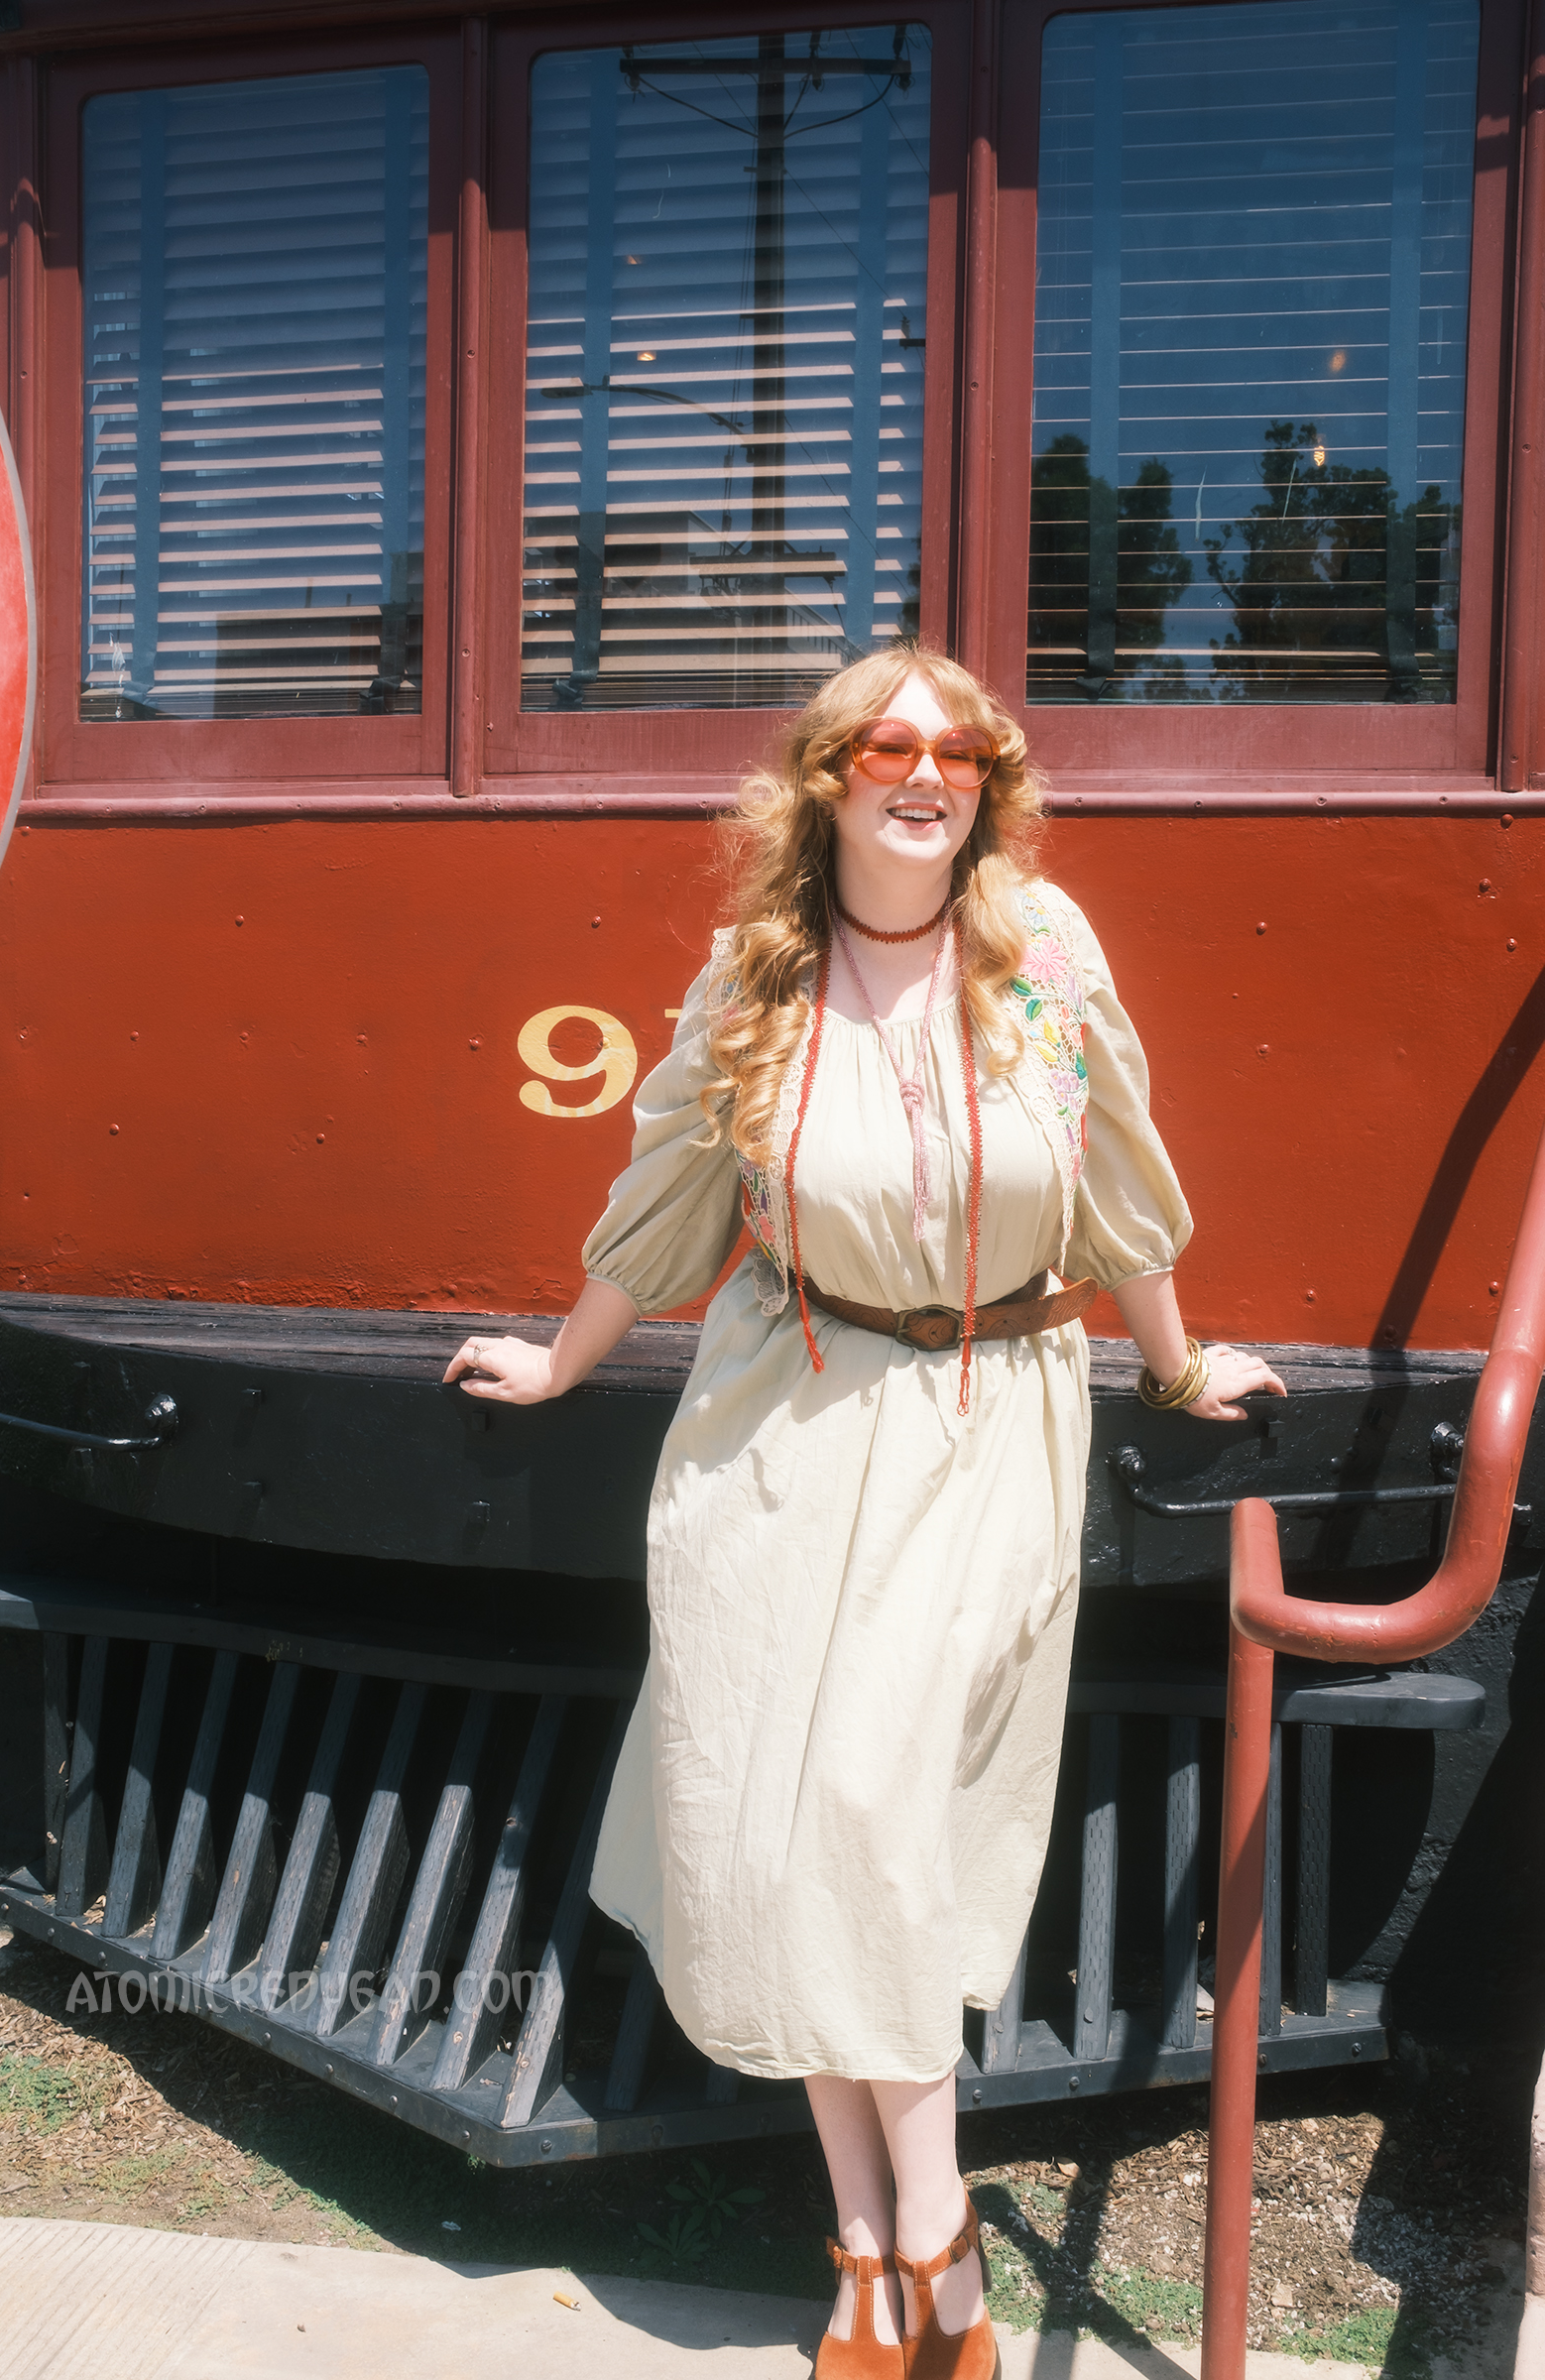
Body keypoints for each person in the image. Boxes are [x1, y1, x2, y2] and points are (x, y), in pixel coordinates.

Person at [445, 649, 1283, 2379]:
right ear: (826, 777)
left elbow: (1118, 1170)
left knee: (867, 1820)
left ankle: (930, 2244)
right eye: (889, 745)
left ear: (993, 780)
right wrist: (559, 1359)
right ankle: (884, 2254)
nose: (929, 773)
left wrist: (1181, 1368)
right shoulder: (754, 971)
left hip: (990, 1419)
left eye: (962, 750)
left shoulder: (1042, 954)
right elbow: (669, 1184)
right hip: (784, 1416)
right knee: (780, 1830)